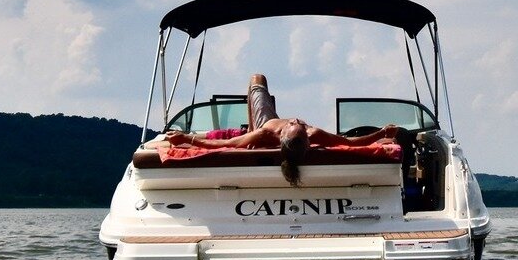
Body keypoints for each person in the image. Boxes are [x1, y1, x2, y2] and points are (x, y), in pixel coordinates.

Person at [164, 85, 400, 187]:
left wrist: (186, 138)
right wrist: (381, 133)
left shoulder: (266, 134)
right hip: (260, 129)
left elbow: (222, 144)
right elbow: (349, 143)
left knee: (257, 80)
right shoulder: (309, 134)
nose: (297, 120)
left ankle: (252, 105)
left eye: (296, 125)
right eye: (298, 125)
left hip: (261, 122)